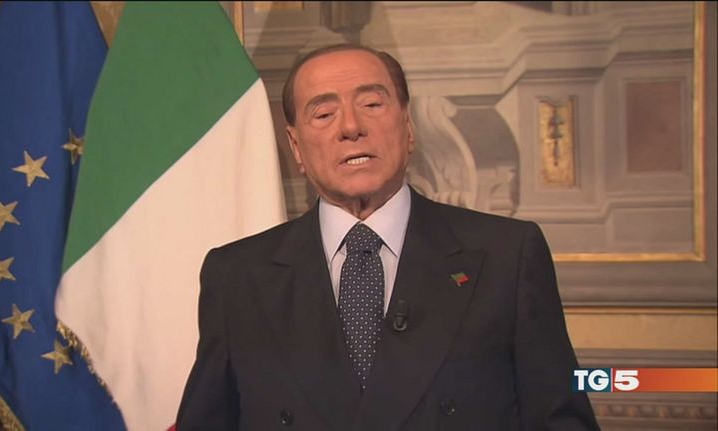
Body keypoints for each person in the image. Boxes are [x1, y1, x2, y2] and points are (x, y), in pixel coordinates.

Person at [177, 44, 599, 430]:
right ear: (297, 147)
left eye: (372, 104)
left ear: (408, 127)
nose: (351, 127)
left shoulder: (507, 255)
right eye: (323, 114)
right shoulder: (237, 276)